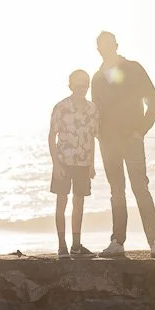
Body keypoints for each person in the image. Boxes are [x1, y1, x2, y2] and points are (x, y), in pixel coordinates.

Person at [90, 31, 155, 259]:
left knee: (140, 188)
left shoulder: (133, 68)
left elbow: (154, 101)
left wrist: (140, 131)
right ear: (98, 49)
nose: (105, 48)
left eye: (109, 43)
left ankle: (154, 242)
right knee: (116, 192)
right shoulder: (96, 77)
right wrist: (99, 135)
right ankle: (117, 241)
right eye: (101, 45)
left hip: (132, 140)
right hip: (108, 142)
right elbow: (95, 110)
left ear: (116, 44)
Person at [48, 68, 99, 257]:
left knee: (79, 204)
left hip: (83, 163)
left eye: (85, 84)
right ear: (70, 85)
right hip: (63, 161)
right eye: (78, 84)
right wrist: (56, 165)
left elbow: (92, 138)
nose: (82, 88)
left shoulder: (92, 109)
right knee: (61, 202)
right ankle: (62, 246)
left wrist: (92, 164)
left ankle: (76, 247)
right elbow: (52, 136)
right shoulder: (61, 107)